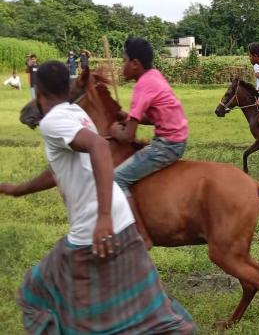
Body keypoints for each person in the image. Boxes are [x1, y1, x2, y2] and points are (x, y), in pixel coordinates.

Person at [0, 61, 195, 334]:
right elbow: (61, 168)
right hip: (124, 223)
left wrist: (103, 218)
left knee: (33, 293)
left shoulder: (52, 121)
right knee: (148, 313)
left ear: (39, 92)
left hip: (92, 231)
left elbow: (99, 147)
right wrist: (18, 189)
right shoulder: (77, 114)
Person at [110, 38, 189, 248]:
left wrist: (114, 129)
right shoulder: (154, 76)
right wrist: (127, 117)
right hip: (177, 137)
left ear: (135, 63)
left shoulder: (142, 86)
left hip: (167, 145)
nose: (122, 66)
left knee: (116, 178)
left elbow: (127, 137)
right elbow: (152, 117)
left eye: (124, 60)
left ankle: (141, 234)